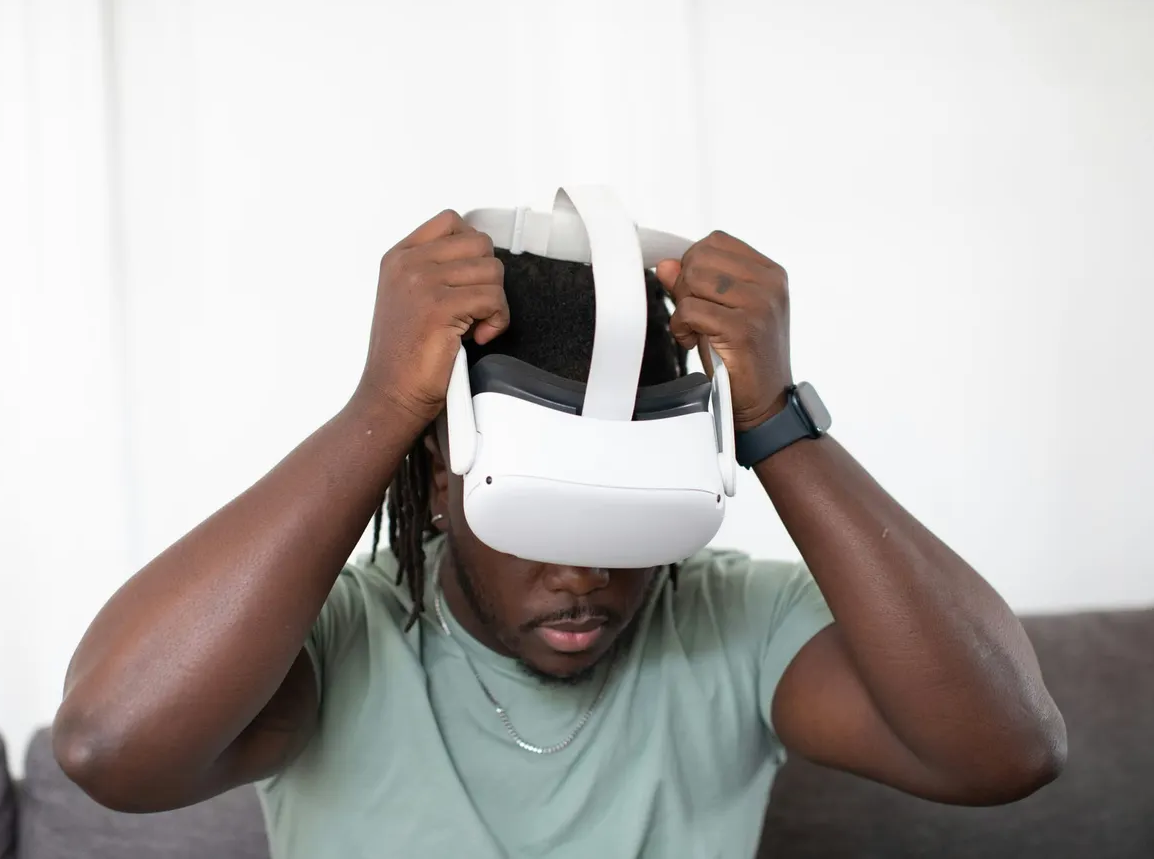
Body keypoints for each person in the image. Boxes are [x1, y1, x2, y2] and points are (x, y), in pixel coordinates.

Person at [52, 209, 1066, 858]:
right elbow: (109, 744)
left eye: (625, 520)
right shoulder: (339, 637)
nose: (582, 572)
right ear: (444, 484)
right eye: (535, 512)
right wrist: (385, 402)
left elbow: (1007, 750)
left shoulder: (736, 622)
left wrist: (773, 421)